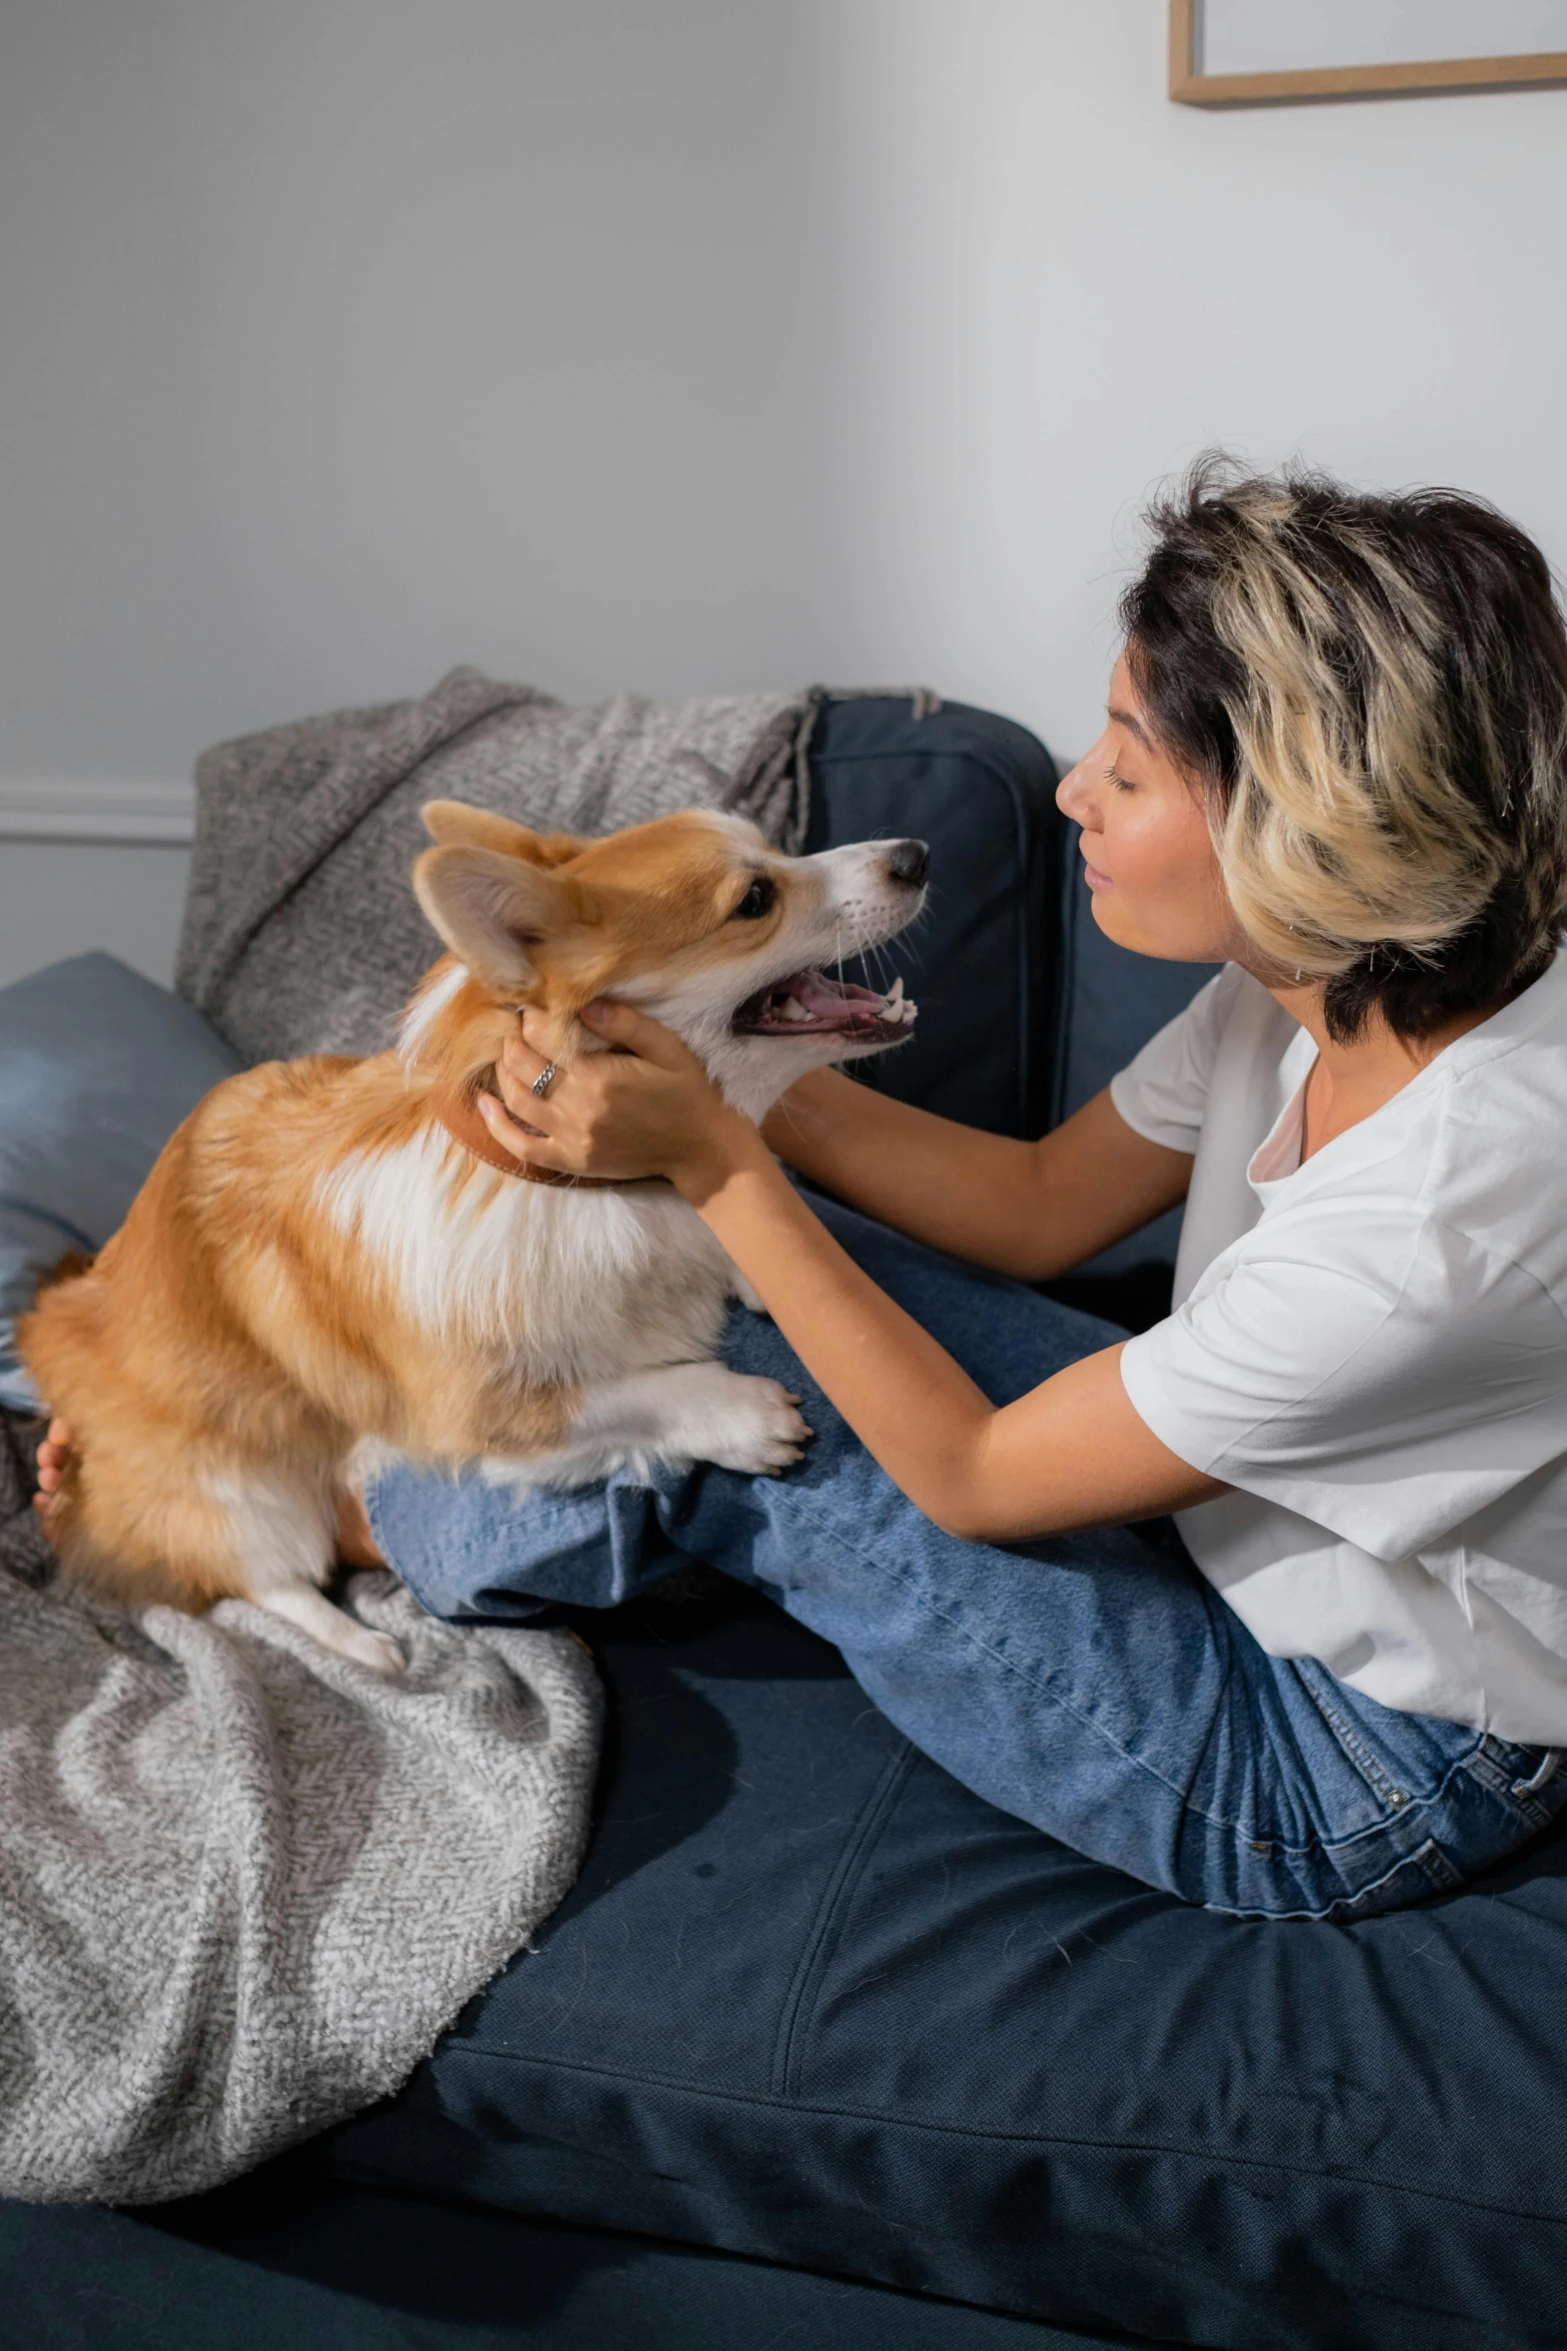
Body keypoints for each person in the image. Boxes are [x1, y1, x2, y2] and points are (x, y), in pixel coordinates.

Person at [38, 460, 1567, 1917]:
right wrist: (721, 1085)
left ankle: (379, 1510)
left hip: (1348, 1760)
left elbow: (967, 1474)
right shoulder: (1316, 976)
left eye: (1131, 761)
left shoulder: (1445, 1219)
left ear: (1305, 819)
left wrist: (709, 1145)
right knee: (758, 1270)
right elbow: (1038, 1205)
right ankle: (344, 1448)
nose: (1070, 794)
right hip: (1259, 1519)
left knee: (750, 1402)